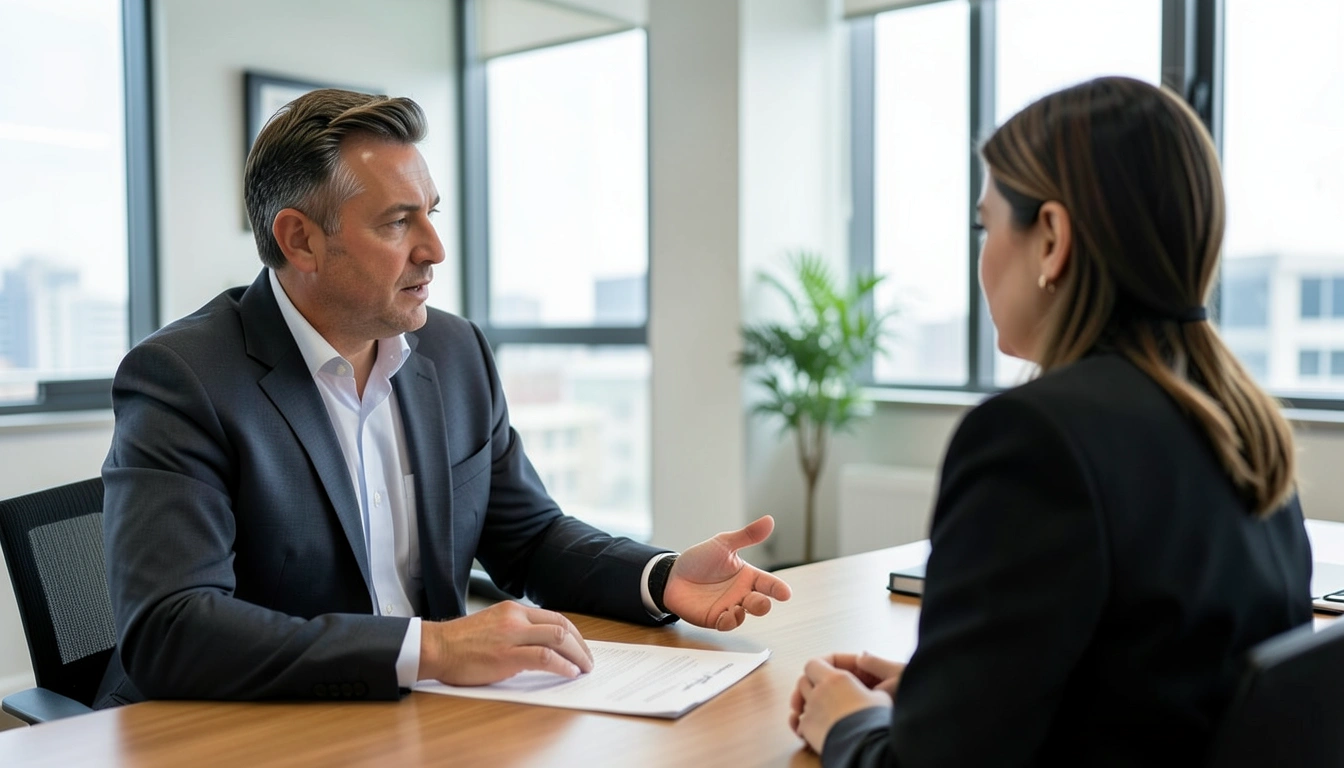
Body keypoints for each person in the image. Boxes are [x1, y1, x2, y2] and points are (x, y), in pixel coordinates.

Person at [95, 89, 790, 707]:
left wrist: (660, 576)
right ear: (299, 240)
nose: (434, 249)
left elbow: (531, 538)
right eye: (398, 223)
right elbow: (171, 627)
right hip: (243, 733)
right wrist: (430, 650)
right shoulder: (183, 377)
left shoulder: (454, 354)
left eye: (429, 213)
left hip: (429, 720)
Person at [789, 76, 1312, 767]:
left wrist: (851, 724)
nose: (982, 257)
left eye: (986, 225)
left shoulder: (1034, 439)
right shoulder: (1241, 422)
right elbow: (1163, 691)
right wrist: (944, 694)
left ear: (1053, 239)